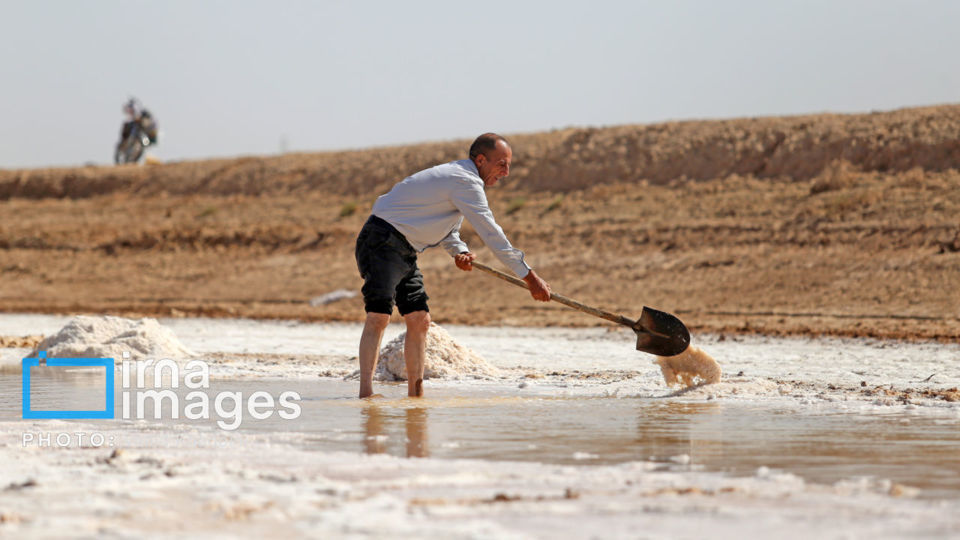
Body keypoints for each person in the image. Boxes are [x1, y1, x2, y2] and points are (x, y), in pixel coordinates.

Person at [354, 133, 551, 398]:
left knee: (419, 319)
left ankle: (415, 396)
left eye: (508, 165)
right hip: (381, 240)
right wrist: (530, 277)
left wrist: (461, 252)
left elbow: (449, 231)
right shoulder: (464, 181)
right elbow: (492, 234)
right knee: (379, 316)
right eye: (502, 164)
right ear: (480, 160)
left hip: (405, 248)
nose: (506, 173)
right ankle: (366, 394)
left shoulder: (461, 181)